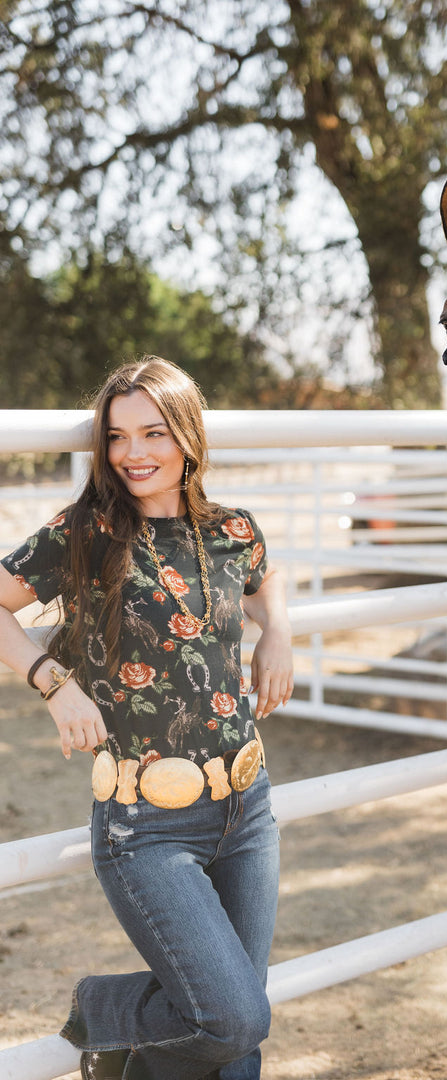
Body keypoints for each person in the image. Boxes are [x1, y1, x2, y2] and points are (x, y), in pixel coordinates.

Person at [0, 356, 293, 1080]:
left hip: (246, 808)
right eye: (117, 437)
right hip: (146, 825)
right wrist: (51, 679)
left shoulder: (232, 530)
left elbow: (264, 578)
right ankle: (101, 1014)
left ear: (188, 437)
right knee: (232, 1016)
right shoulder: (86, 533)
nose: (132, 453)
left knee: (235, 1037)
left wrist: (277, 631)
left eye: (153, 433)